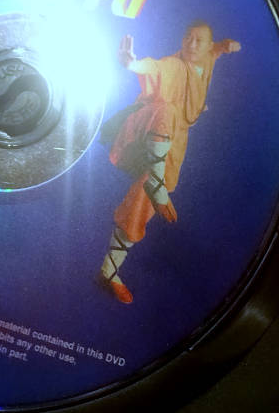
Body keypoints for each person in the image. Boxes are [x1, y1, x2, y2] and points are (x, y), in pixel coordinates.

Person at [98, 21, 241, 304]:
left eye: (199, 41)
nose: (192, 44)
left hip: (173, 141)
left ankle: (108, 271)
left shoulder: (208, 58)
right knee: (167, 110)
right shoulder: (174, 66)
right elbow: (154, 67)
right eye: (188, 38)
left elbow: (214, 52)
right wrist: (133, 64)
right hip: (143, 126)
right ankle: (156, 180)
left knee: (143, 203)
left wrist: (224, 46)